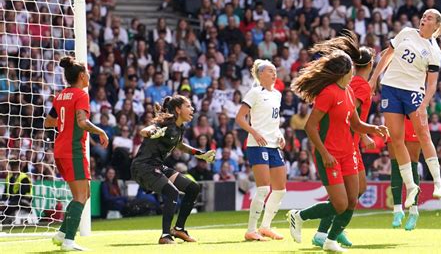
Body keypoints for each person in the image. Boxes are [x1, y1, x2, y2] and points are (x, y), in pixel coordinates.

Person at [288, 50, 388, 252]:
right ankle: (298, 216)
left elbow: (355, 123)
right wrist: (324, 153)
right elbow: (309, 126)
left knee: (353, 200)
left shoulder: (349, 92)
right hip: (330, 156)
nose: (354, 71)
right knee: (340, 204)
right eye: (351, 68)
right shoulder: (328, 93)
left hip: (348, 154)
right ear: (344, 71)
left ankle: (330, 240)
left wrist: (373, 129)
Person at [369, 9, 441, 208]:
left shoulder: (434, 51)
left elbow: (432, 84)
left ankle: (437, 183)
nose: (423, 19)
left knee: (423, 135)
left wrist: (424, 105)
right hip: (391, 89)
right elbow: (387, 55)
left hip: (413, 93)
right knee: (396, 140)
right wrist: (374, 79)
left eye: (428, 18)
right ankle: (411, 187)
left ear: (436, 25)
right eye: (423, 16)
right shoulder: (406, 32)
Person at [308, 33, 376, 248]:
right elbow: (348, 115)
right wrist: (364, 134)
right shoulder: (357, 87)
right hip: (346, 144)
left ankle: (328, 233)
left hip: (350, 142)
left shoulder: (351, 83)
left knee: (355, 192)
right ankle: (327, 232)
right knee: (352, 194)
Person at [130, 95, 216, 244]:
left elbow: (180, 145)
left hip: (157, 166)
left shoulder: (178, 128)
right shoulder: (165, 124)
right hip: (143, 167)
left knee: (193, 188)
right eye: (188, 106)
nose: (192, 109)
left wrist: (200, 154)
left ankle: (179, 229)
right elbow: (144, 131)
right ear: (178, 109)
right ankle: (165, 235)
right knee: (172, 192)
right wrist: (152, 132)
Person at [45, 56, 110, 251]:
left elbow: (49, 121)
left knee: (84, 194)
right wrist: (100, 131)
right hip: (73, 151)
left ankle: (62, 234)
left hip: (60, 150)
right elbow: (82, 122)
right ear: (82, 76)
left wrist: (66, 125)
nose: (89, 75)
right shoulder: (81, 95)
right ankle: (69, 242)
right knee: (81, 196)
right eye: (88, 72)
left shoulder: (61, 95)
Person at [236, 59, 287, 241]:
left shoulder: (277, 95)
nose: (274, 74)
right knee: (264, 188)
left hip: (273, 144)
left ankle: (265, 227)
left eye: (275, 71)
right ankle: (251, 229)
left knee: (280, 189)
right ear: (260, 74)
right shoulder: (255, 92)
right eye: (270, 71)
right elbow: (240, 117)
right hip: (257, 145)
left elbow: (273, 120)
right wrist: (254, 132)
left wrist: (279, 133)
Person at [388, 118, 421, 230]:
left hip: (411, 116)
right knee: (395, 163)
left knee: (412, 164)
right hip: (393, 115)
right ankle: (397, 210)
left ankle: (413, 211)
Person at [0, 159, 32, 226]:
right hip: (12, 200)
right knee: (4, 204)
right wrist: (3, 201)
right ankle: (4, 219)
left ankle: (4, 219)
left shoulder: (24, 177)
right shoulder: (9, 177)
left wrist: (8, 202)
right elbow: (5, 192)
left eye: (15, 166)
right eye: (12, 166)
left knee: (12, 204)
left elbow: (22, 193)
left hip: (25, 200)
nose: (14, 168)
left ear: (19, 167)